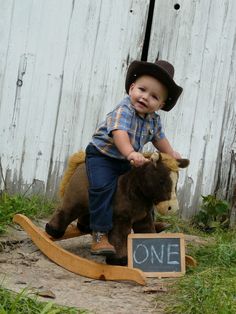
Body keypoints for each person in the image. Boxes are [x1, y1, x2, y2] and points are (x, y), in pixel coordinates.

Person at [85, 59, 183, 256]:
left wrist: (171, 154)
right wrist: (130, 152)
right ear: (131, 88)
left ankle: (144, 222)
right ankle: (99, 232)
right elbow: (119, 133)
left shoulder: (154, 119)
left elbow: (159, 138)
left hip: (126, 159)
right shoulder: (124, 110)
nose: (145, 97)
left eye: (154, 96)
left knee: (145, 185)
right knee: (103, 187)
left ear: (161, 105)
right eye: (142, 89)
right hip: (103, 157)